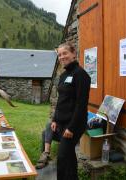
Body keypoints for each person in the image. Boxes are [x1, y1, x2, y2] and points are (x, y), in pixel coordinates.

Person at [36, 42, 91, 180]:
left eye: (65, 53)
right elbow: (61, 101)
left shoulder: (81, 75)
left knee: (62, 158)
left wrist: (71, 128)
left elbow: (81, 104)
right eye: (59, 55)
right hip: (61, 122)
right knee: (69, 157)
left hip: (74, 124)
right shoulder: (63, 75)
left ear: (73, 53)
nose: (62, 57)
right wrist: (55, 119)